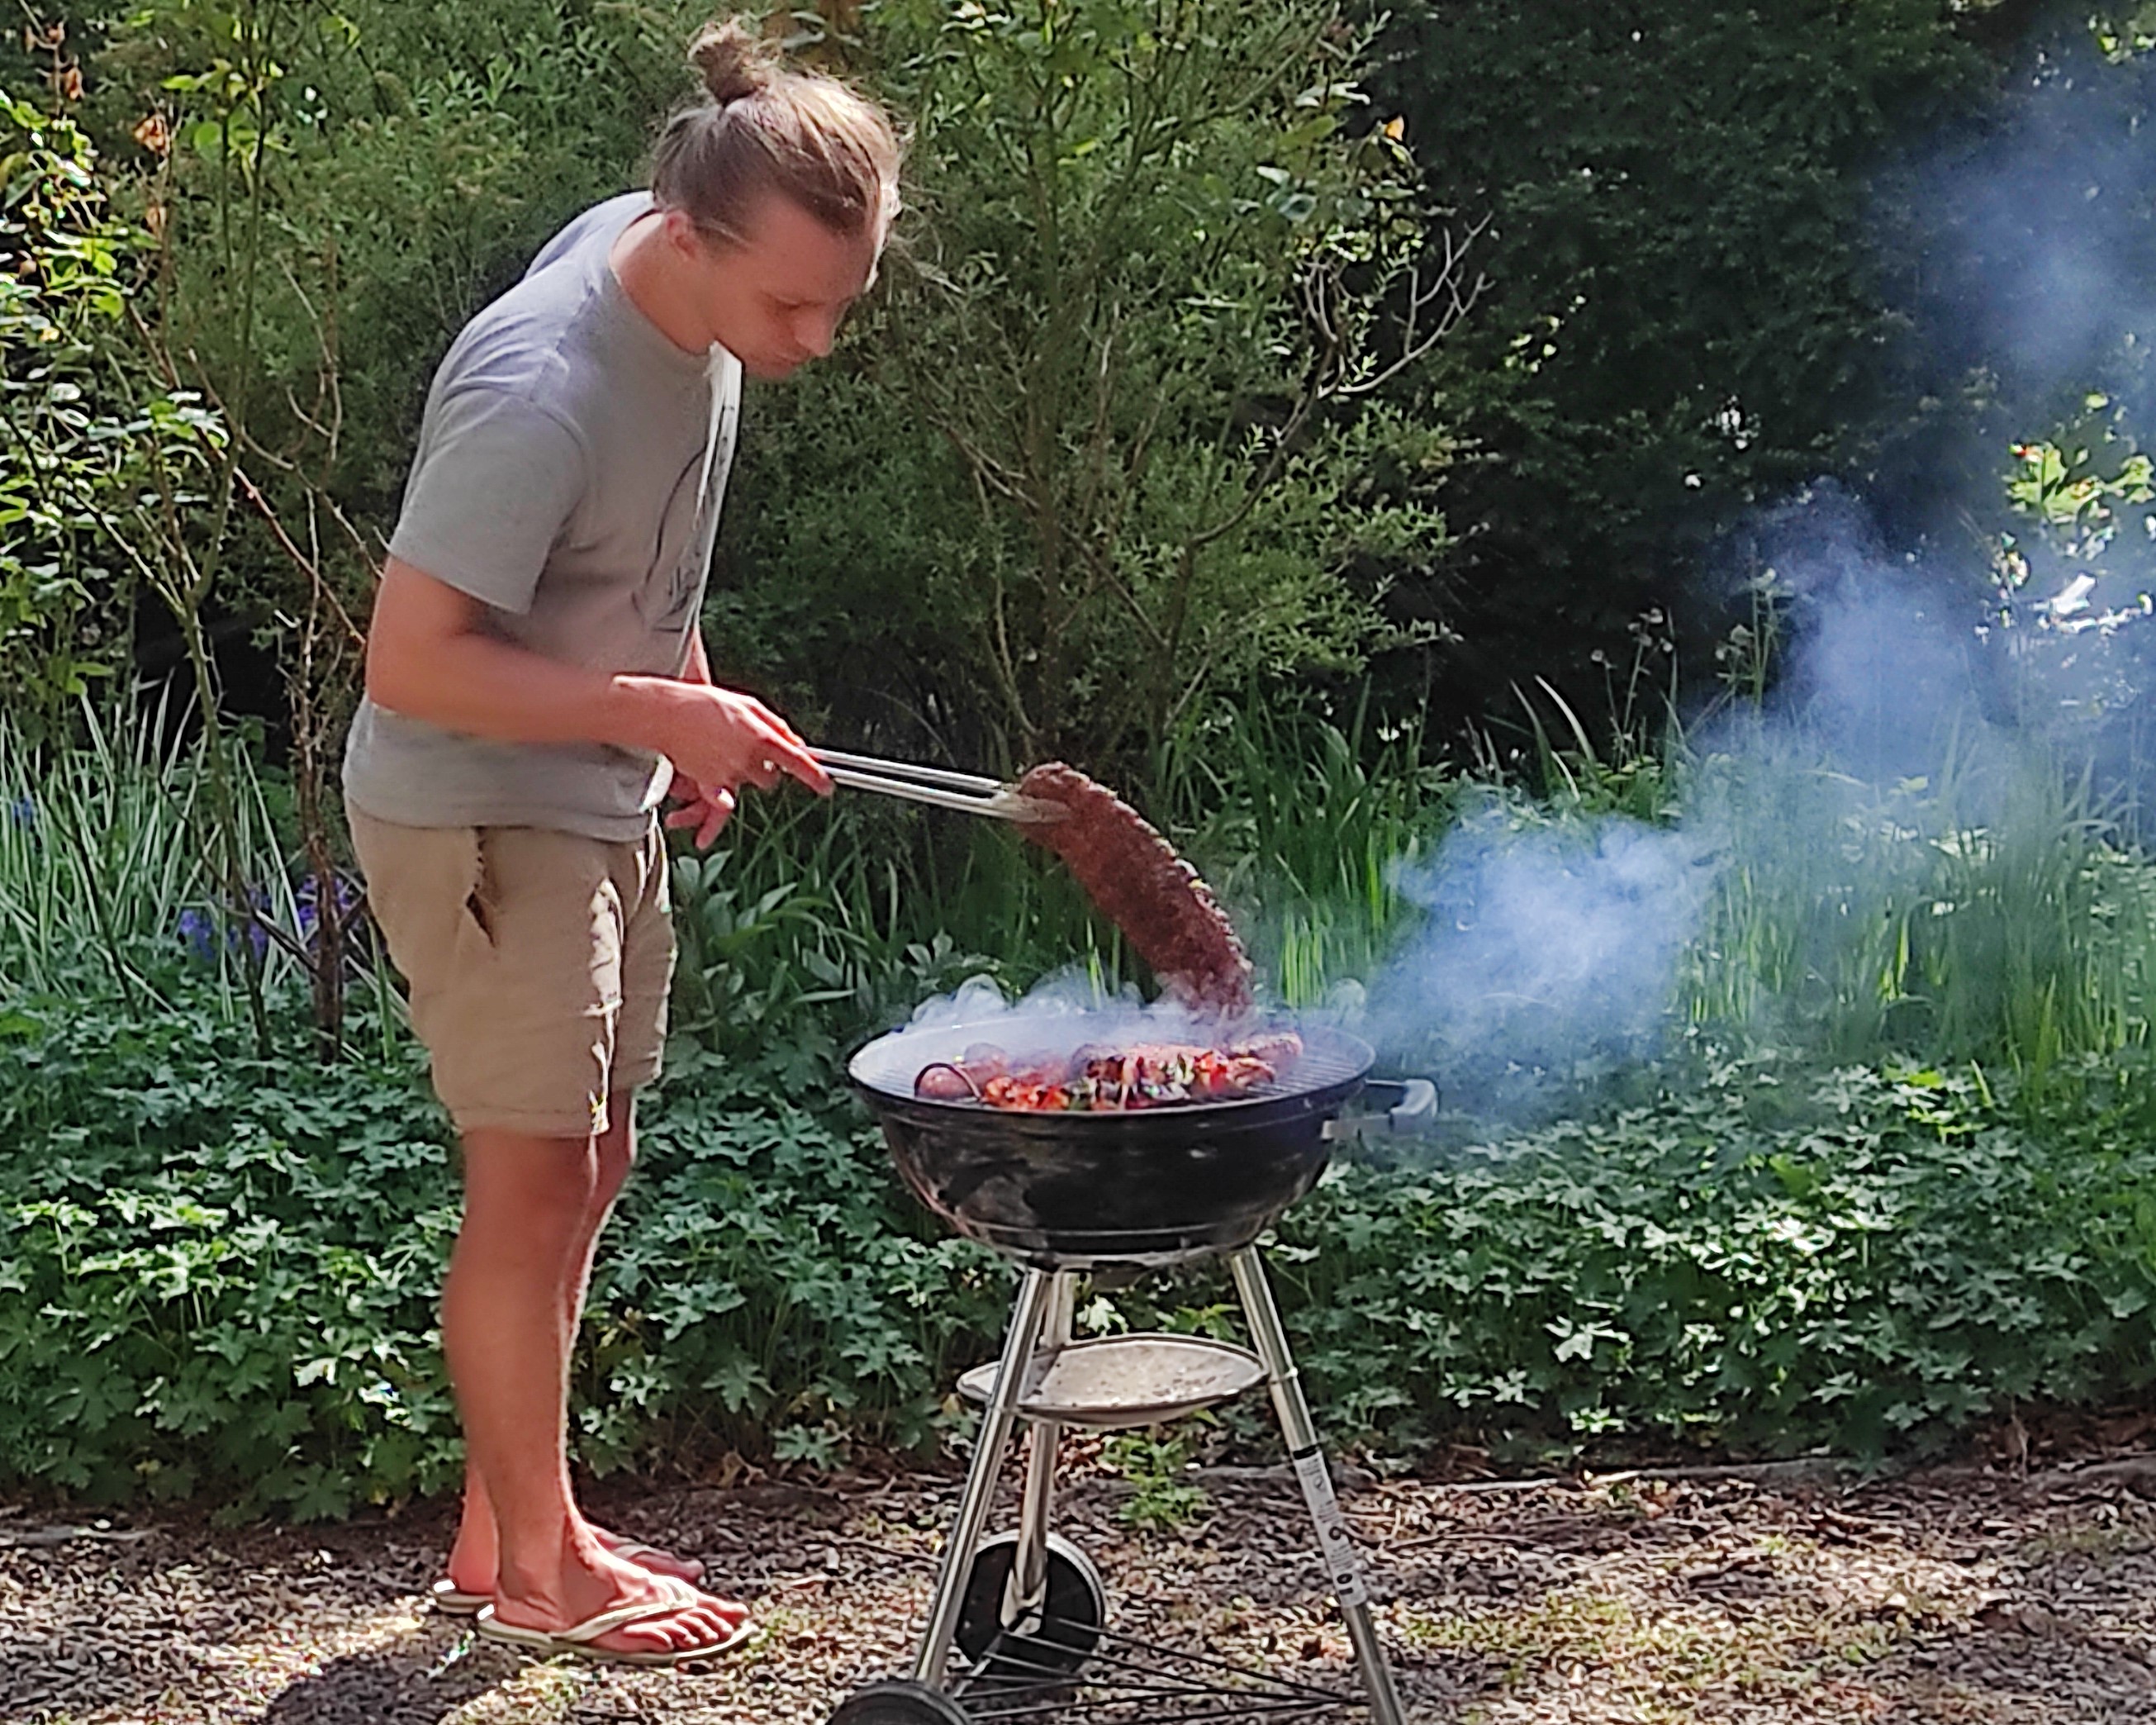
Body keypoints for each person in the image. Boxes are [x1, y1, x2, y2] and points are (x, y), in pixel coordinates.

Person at [341, 18, 901, 1667]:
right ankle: (538, 1576)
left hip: (593, 788)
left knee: (592, 1161)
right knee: (526, 1187)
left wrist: (690, 696)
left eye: (840, 303)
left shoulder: (679, 262)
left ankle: (510, 1523)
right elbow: (412, 656)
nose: (809, 339)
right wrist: (655, 716)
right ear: (693, 232)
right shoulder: (542, 384)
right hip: (477, 812)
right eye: (786, 302)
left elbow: (625, 563)